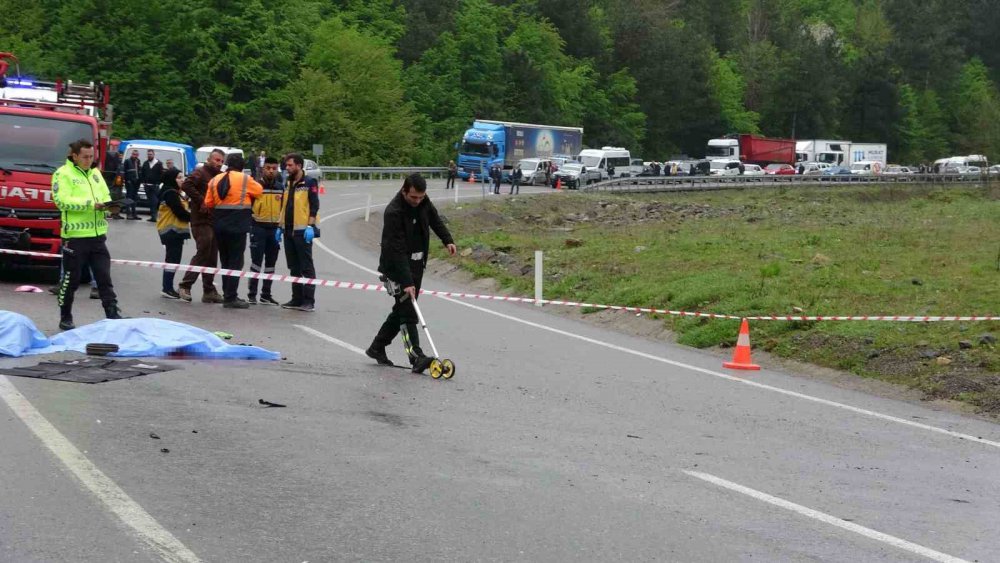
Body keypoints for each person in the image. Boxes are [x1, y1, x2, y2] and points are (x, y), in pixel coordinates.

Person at [365, 173, 456, 373]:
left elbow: (434, 219)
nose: (417, 201)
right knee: (408, 312)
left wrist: (447, 240)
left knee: (402, 309)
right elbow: (396, 250)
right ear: (404, 191)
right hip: (396, 268)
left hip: (416, 264)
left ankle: (377, 347)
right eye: (413, 197)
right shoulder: (394, 212)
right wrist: (406, 281)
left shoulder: (423, 202)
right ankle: (416, 356)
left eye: (421, 197)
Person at [52, 139, 123, 330]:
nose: (89, 160)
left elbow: (105, 196)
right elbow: (62, 201)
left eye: (91, 157)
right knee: (71, 280)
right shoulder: (62, 174)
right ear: (74, 156)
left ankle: (112, 313)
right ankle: (65, 316)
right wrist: (91, 204)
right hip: (75, 237)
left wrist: (110, 206)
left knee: (104, 278)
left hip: (98, 236)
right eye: (85, 157)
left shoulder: (95, 173)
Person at [203, 154, 262, 309]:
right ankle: (231, 297)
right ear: (242, 167)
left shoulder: (214, 180)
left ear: (227, 164)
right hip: (238, 226)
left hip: (219, 226)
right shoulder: (245, 179)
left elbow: (208, 202)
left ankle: (227, 293)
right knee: (236, 262)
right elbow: (259, 191)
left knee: (225, 261)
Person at [178, 149, 225, 303]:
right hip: (200, 220)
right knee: (204, 250)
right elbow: (186, 185)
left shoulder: (219, 176)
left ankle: (209, 290)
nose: (219, 163)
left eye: (222, 161)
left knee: (212, 256)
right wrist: (201, 201)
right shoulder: (200, 172)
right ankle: (185, 285)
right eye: (217, 160)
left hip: (214, 220)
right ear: (209, 159)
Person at [276, 153, 320, 312]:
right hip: (288, 231)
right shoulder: (288, 182)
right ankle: (296, 298)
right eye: (286, 165)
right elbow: (285, 205)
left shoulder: (309, 182)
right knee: (293, 267)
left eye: (290, 165)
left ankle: (309, 301)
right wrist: (279, 226)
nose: (287, 168)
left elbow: (314, 205)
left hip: (303, 231)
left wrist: (310, 226)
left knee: (306, 267)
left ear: (299, 166)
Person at [246, 156, 283, 305]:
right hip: (258, 228)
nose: (271, 171)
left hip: (274, 229)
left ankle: (266, 294)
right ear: (263, 169)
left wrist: (281, 227)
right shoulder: (256, 186)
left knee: (271, 263)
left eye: (274, 168)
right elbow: (248, 206)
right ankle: (252, 294)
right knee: (256, 262)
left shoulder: (280, 187)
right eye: (268, 168)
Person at [155, 168, 190, 299]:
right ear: (172, 179)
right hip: (171, 231)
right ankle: (167, 288)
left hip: (173, 231)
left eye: (183, 177)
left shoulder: (174, 192)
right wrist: (195, 218)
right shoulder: (170, 193)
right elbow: (179, 212)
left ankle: (168, 287)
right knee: (172, 260)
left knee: (173, 259)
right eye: (179, 177)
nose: (182, 180)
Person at [140, 149, 163, 222]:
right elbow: (142, 173)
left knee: (155, 201)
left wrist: (158, 183)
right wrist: (143, 182)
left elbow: (161, 174)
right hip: (147, 186)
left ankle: (155, 216)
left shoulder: (159, 164)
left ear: (153, 155)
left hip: (155, 186)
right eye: (148, 154)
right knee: (151, 201)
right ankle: (153, 216)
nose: (149, 156)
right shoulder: (145, 163)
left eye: (150, 154)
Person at [122, 149, 142, 219]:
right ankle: (128, 214)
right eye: (134, 154)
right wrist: (127, 180)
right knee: (129, 198)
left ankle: (134, 214)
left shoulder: (138, 161)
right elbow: (124, 172)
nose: (135, 156)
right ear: (131, 154)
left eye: (136, 154)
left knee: (134, 198)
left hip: (136, 183)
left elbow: (139, 171)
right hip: (129, 182)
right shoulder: (127, 161)